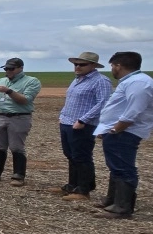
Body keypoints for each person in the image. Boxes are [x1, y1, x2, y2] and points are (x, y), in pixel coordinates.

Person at [92, 51, 153, 219]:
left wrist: (115, 129)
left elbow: (133, 111)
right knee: (116, 166)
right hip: (118, 131)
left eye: (112, 65)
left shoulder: (139, 83)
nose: (112, 69)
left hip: (125, 132)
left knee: (124, 168)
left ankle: (123, 207)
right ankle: (112, 201)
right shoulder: (132, 81)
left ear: (118, 65)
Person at [57, 51, 112, 201]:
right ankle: (72, 185)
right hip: (67, 122)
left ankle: (84, 190)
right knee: (71, 155)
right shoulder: (77, 80)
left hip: (83, 125)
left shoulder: (101, 81)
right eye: (76, 64)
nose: (78, 67)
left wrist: (83, 120)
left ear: (93, 66)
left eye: (82, 64)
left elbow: (103, 103)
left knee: (82, 157)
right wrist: (62, 116)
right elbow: (70, 100)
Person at [0, 57, 42, 186]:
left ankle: (18, 175)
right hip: (0, 116)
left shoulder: (31, 81)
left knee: (17, 147)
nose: (8, 71)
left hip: (19, 117)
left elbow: (25, 100)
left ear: (21, 68)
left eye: (11, 68)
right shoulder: (1, 81)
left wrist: (8, 91)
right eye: (6, 68)